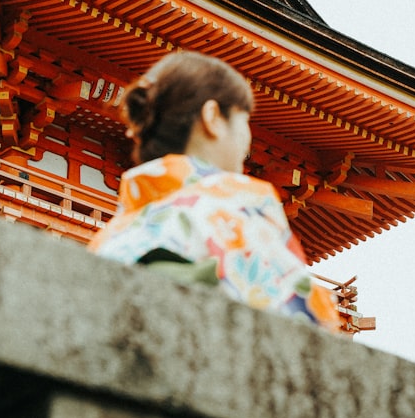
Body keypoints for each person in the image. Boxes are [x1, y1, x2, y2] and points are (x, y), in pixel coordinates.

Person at [88, 50, 341, 332]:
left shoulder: (108, 236)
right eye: (244, 120)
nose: (247, 140)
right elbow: (304, 324)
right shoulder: (232, 209)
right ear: (212, 117)